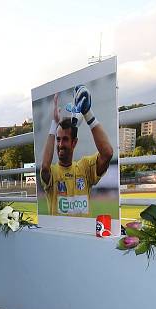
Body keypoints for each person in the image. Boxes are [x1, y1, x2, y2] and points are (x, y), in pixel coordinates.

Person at [39, 87, 114, 217]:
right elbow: (45, 166)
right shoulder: (53, 172)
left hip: (83, 234)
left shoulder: (84, 167)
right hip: (60, 233)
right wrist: (54, 124)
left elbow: (107, 153)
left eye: (65, 139)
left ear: (74, 143)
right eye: (58, 139)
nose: (60, 144)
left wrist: (87, 113)